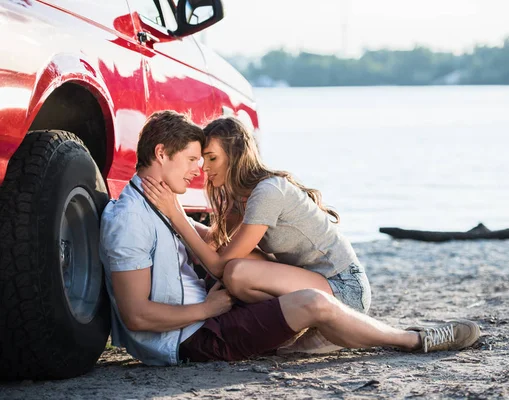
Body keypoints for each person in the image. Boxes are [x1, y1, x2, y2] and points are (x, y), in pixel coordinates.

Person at [99, 110, 481, 366]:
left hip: (328, 288)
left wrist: (178, 217)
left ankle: (330, 326)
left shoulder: (171, 206)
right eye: (193, 160)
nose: (199, 170)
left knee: (240, 275)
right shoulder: (132, 217)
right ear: (162, 153)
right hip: (195, 333)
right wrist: (207, 309)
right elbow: (136, 315)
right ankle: (413, 340)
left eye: (207, 159)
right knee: (289, 294)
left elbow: (215, 254)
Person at [140, 117, 371, 317]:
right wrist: (168, 208)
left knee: (236, 273)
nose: (204, 169)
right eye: (202, 160)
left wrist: (175, 213)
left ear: (235, 156)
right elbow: (213, 242)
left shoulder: (267, 192)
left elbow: (219, 267)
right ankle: (295, 324)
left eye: (212, 158)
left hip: (344, 287)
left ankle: (302, 323)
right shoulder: (240, 197)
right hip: (312, 281)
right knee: (233, 257)